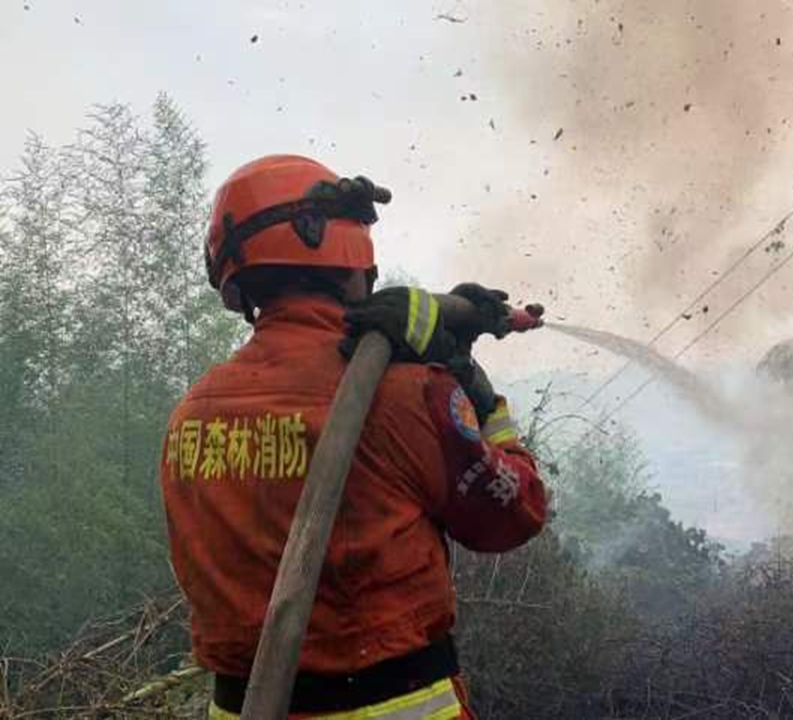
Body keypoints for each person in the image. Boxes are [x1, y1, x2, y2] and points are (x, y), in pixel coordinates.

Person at [159, 154, 547, 719]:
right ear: (347, 251)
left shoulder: (190, 416)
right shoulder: (403, 393)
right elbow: (515, 513)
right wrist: (481, 401)